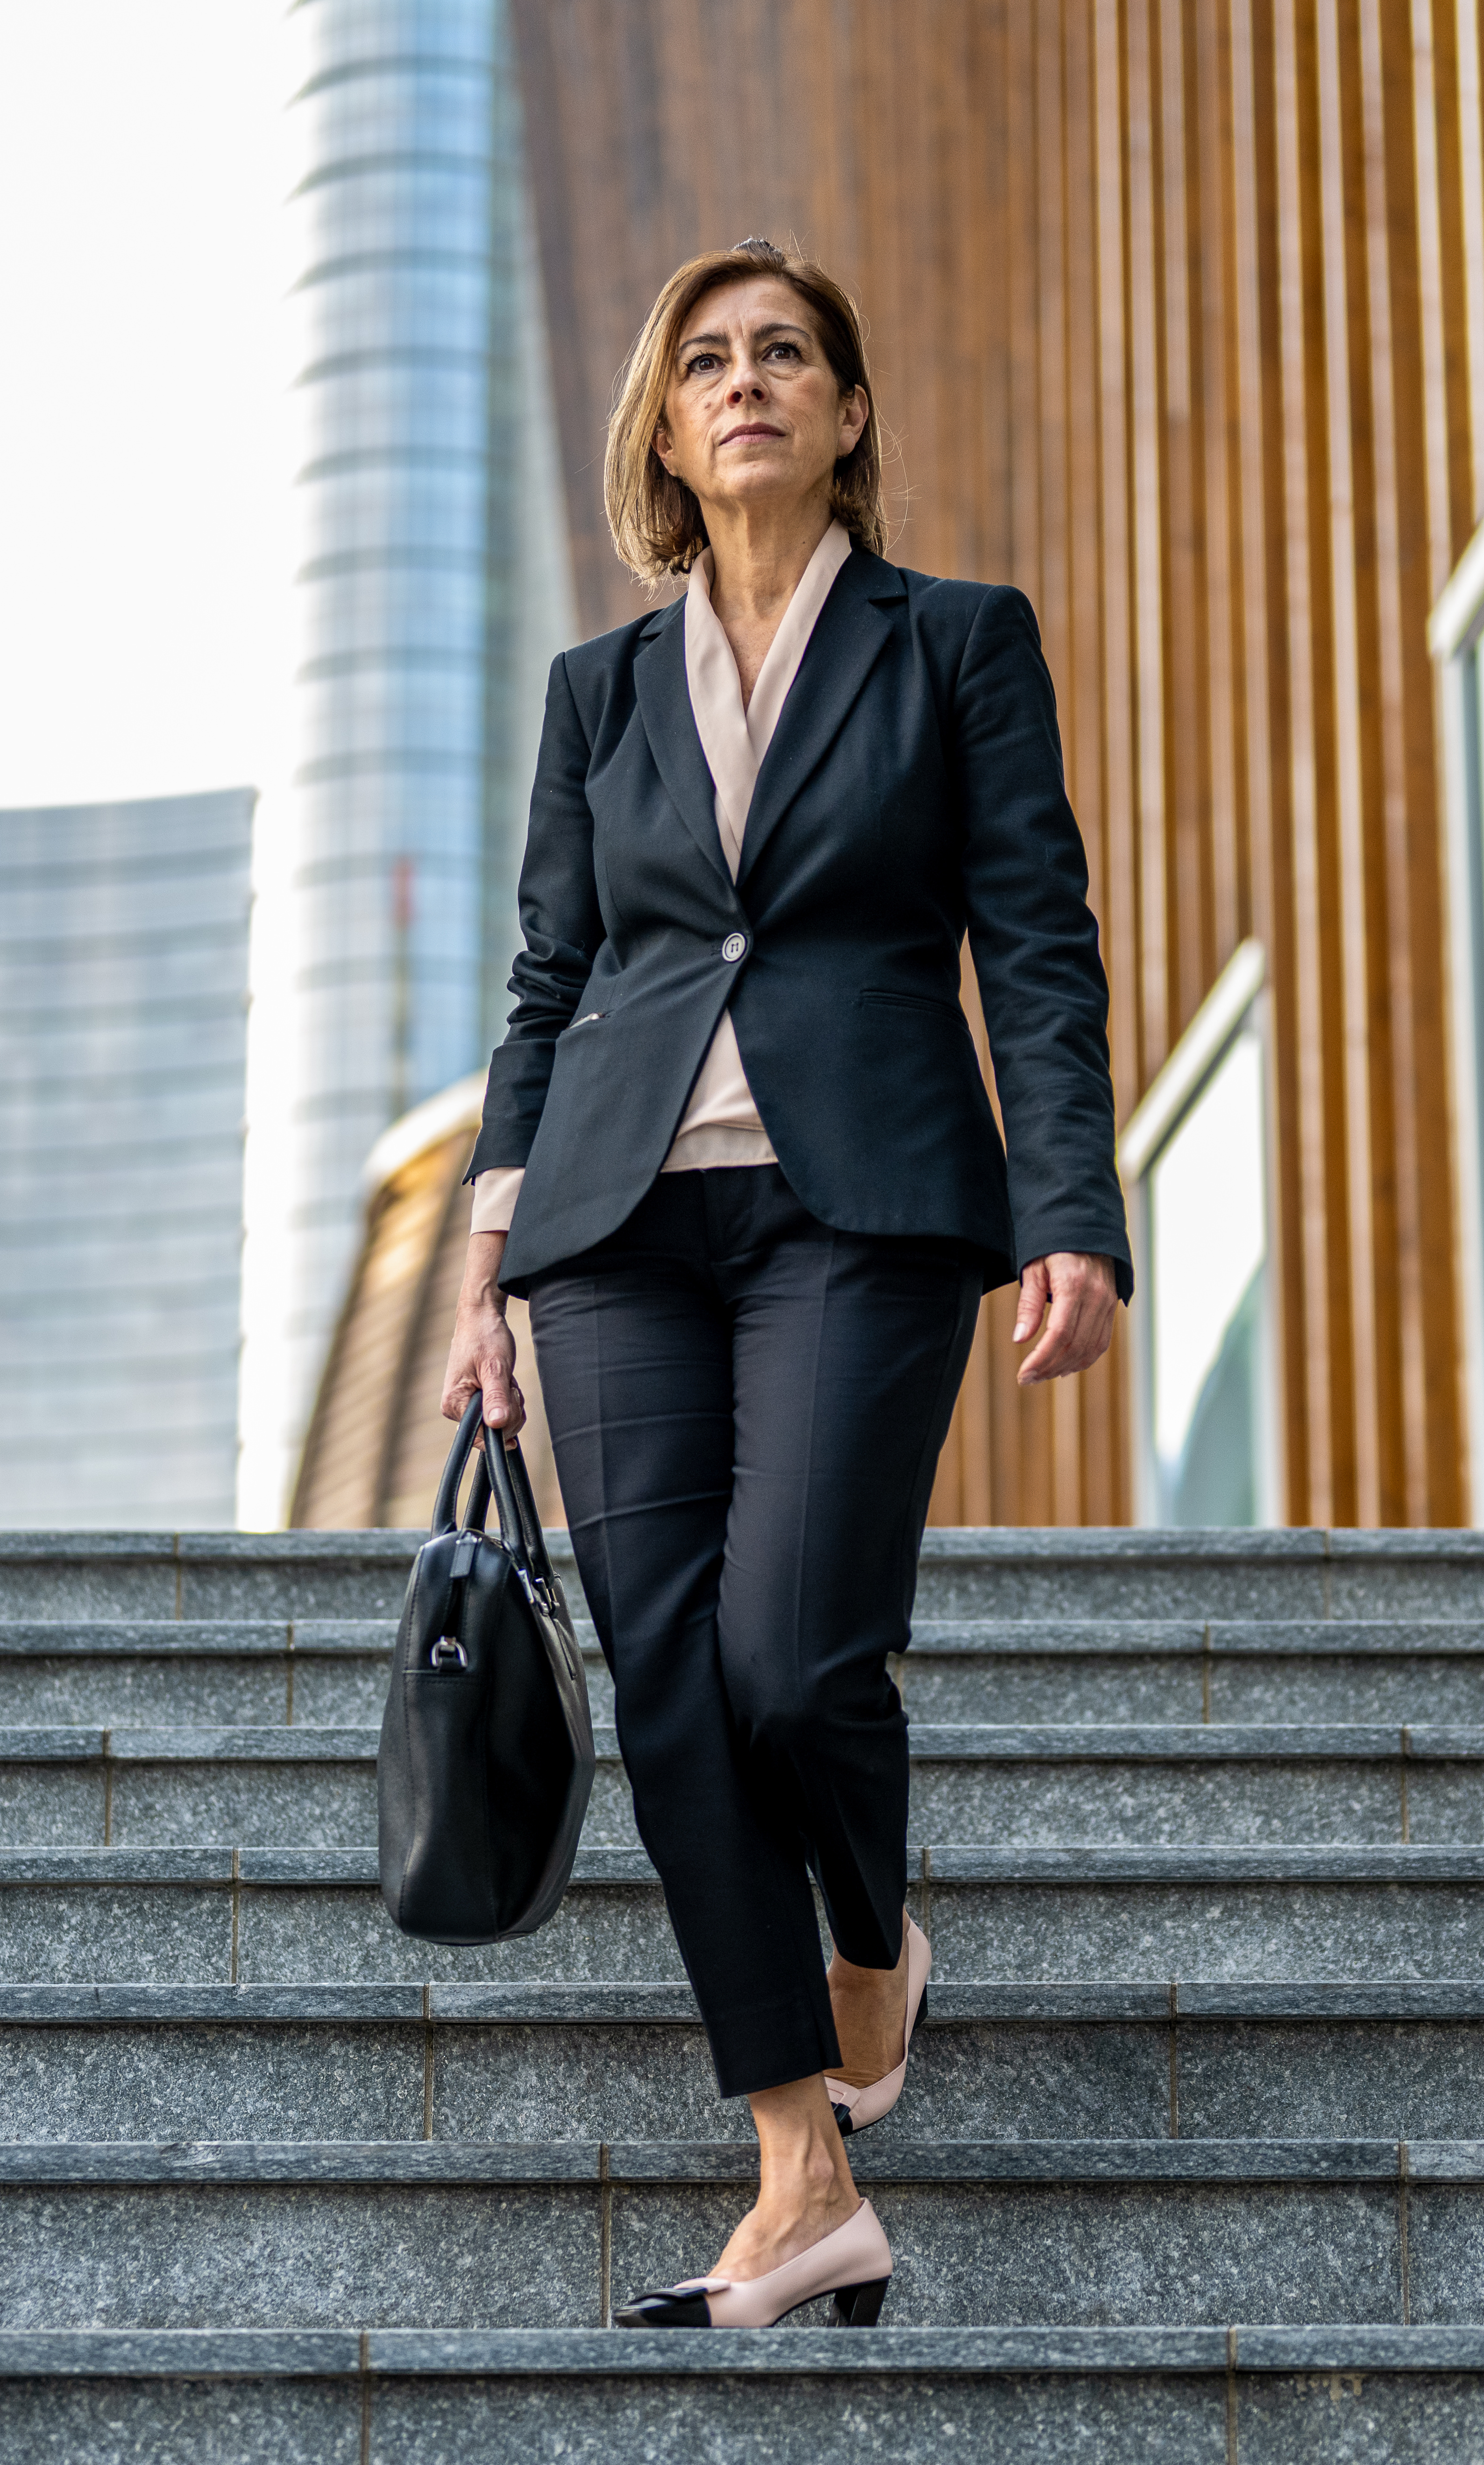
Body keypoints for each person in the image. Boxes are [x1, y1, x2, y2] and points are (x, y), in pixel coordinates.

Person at [436, 238, 1130, 2330]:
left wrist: (1070, 1209)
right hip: (614, 1228)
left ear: (842, 413)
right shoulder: (597, 693)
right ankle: (794, 2166)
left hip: (862, 1205)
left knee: (786, 1658)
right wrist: (483, 1274)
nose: (744, 384)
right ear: (663, 427)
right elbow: (551, 985)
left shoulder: (952, 646)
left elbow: (1035, 940)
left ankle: (872, 1933)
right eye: (706, 362)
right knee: (665, 1687)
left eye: (786, 356)